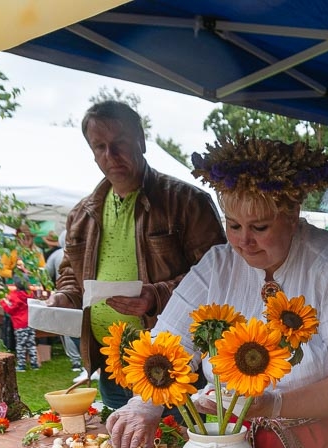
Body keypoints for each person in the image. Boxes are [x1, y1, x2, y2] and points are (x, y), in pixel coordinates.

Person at [108, 136, 328, 448]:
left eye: (259, 227)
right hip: (239, 443)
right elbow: (169, 344)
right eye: (233, 225)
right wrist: (146, 404)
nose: (244, 241)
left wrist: (274, 404)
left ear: (291, 214)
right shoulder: (217, 265)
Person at [46, 100, 225, 409]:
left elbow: (219, 276)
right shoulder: (82, 214)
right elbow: (71, 279)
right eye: (99, 146)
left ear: (141, 141)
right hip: (111, 363)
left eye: (119, 144)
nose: (110, 156)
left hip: (171, 362)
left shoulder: (186, 202)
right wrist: (63, 298)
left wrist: (154, 296)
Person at [45, 231, 85, 378]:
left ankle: (77, 362)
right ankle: (86, 365)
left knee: (70, 332)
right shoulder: (62, 255)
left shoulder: (55, 255)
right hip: (73, 296)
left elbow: (46, 274)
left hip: (69, 296)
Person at [0, 278, 40, 372]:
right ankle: (34, 364)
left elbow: (10, 310)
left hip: (20, 323)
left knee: (21, 345)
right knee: (31, 344)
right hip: (30, 322)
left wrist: (3, 302)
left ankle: (21, 365)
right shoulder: (30, 294)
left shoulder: (14, 296)